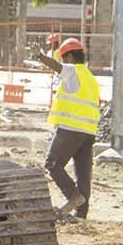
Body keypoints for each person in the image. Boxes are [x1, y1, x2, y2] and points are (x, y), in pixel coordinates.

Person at [30, 34, 101, 219]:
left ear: (69, 57)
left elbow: (58, 67)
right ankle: (81, 214)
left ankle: (73, 196)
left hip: (71, 128)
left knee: (52, 163)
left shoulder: (72, 70)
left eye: (64, 57)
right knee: (83, 173)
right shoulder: (90, 78)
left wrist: (41, 57)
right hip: (88, 132)